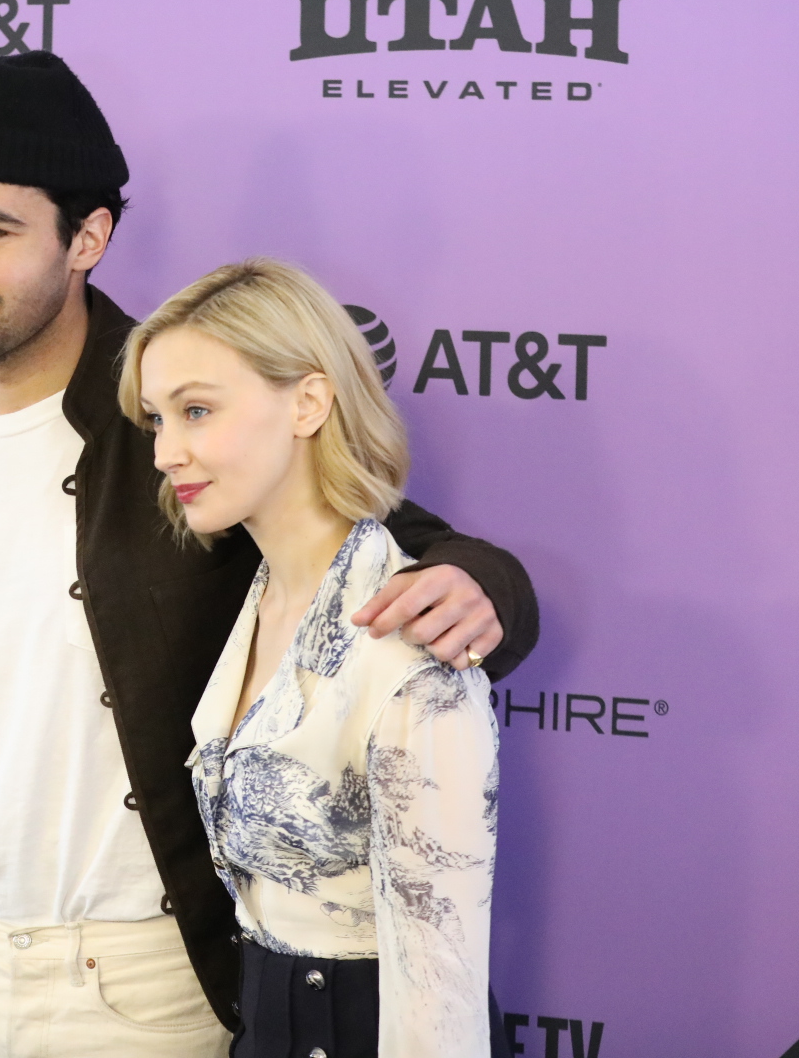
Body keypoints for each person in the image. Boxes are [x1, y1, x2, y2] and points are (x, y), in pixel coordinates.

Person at [0, 50, 538, 1057]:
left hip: (147, 987)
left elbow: (378, 537)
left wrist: (483, 584)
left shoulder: (170, 406)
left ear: (88, 237)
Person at [122, 258, 500, 1058]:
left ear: (308, 402)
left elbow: (442, 985)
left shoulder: (405, 638)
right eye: (157, 419)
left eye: (197, 410)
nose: (165, 452)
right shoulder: (258, 597)